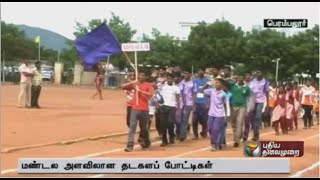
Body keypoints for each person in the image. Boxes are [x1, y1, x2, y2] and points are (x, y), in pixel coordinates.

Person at [121, 72, 154, 152]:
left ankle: (146, 143)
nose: (141, 76)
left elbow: (150, 94)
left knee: (144, 128)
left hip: (144, 109)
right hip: (135, 108)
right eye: (140, 75)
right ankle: (130, 145)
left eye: (143, 75)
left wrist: (140, 91)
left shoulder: (148, 85)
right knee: (132, 127)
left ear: (145, 77)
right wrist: (131, 82)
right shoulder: (135, 84)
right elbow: (122, 87)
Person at [202, 78, 230, 151]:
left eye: (218, 83)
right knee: (210, 129)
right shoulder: (211, 91)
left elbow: (225, 105)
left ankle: (214, 145)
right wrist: (207, 84)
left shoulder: (223, 94)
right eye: (215, 82)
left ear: (221, 85)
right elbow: (202, 91)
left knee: (215, 130)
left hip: (220, 114)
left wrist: (226, 116)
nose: (216, 84)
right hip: (211, 113)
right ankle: (218, 142)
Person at [159, 74, 180, 147]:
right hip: (163, 106)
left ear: (173, 80)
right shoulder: (163, 87)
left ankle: (172, 136)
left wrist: (178, 106)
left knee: (170, 122)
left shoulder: (176, 88)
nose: (169, 80)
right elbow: (157, 89)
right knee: (163, 124)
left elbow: (178, 97)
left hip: (172, 107)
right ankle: (164, 141)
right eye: (168, 79)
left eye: (170, 79)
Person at [230, 75, 250, 147]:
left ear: (243, 79)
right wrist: (232, 78)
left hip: (242, 106)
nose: (240, 79)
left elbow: (248, 99)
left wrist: (248, 109)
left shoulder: (246, 88)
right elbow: (226, 82)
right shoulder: (233, 86)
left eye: (241, 78)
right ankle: (238, 135)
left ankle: (236, 140)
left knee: (239, 122)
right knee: (233, 123)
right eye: (238, 78)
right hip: (233, 106)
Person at [250, 70, 269, 141]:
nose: (258, 74)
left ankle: (256, 135)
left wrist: (268, 104)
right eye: (257, 72)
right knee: (252, 118)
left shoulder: (265, 82)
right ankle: (254, 131)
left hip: (260, 101)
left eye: (260, 72)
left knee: (258, 117)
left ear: (262, 74)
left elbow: (267, 93)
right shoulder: (253, 81)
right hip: (253, 101)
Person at [192, 69, 210, 140]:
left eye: (202, 71)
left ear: (204, 72)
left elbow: (210, 93)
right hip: (196, 102)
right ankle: (195, 135)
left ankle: (204, 132)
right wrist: (193, 104)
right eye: (199, 71)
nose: (200, 72)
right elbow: (193, 93)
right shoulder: (194, 81)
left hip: (204, 102)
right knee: (194, 120)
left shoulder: (208, 81)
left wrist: (208, 103)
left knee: (204, 120)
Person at [179, 70, 197, 142]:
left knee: (185, 119)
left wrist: (194, 104)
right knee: (180, 119)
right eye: (184, 73)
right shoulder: (182, 82)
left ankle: (182, 135)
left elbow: (194, 94)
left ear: (190, 74)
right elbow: (180, 92)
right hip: (181, 103)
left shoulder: (193, 83)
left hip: (189, 103)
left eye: (186, 73)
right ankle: (182, 132)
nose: (185, 75)